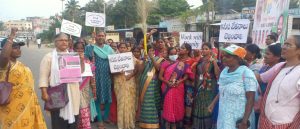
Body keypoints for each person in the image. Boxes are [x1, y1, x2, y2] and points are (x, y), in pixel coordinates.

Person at [0, 28, 47, 129]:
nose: (18, 49)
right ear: (5, 48)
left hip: (29, 106)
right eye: (15, 47)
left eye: (19, 47)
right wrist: (11, 36)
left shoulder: (20, 65)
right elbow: (3, 57)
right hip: (12, 109)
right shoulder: (4, 66)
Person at [256, 35, 300, 129]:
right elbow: (261, 78)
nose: (283, 47)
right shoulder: (280, 66)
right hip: (266, 122)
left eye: (288, 45)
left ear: (298, 51)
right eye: (284, 44)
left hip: (287, 124)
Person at [39, 33, 81, 129]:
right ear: (55, 42)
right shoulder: (49, 57)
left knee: (74, 120)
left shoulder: (73, 56)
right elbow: (43, 77)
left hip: (73, 92)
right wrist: (44, 92)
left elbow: (80, 73)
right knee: (58, 122)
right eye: (61, 40)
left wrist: (81, 60)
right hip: (57, 94)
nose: (64, 42)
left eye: (66, 40)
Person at [217, 44, 258, 129]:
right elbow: (222, 90)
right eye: (223, 56)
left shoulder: (247, 73)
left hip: (238, 118)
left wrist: (244, 121)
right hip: (224, 115)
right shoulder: (224, 71)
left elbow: (251, 98)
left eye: (228, 56)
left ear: (238, 58)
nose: (224, 58)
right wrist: (213, 104)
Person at [84, 31, 115, 129]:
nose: (101, 37)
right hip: (95, 77)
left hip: (107, 76)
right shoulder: (90, 48)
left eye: (103, 35)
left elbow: (115, 61)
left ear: (105, 37)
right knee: (96, 97)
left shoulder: (109, 48)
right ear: (95, 36)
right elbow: (86, 60)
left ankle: (106, 117)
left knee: (108, 98)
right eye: (99, 35)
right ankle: (100, 120)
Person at [159, 47, 192, 129]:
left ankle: (177, 125)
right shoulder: (165, 63)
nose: (173, 55)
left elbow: (186, 75)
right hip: (168, 88)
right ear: (168, 54)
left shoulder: (181, 63)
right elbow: (160, 76)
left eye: (175, 54)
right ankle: (168, 125)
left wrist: (180, 81)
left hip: (178, 87)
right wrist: (167, 82)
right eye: (171, 54)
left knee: (178, 105)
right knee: (169, 105)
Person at [192, 43, 220, 129]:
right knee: (199, 105)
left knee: (207, 106)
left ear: (210, 50)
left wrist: (214, 62)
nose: (204, 50)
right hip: (199, 86)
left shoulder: (214, 61)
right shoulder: (199, 61)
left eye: (206, 49)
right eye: (203, 48)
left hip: (210, 87)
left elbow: (217, 74)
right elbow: (195, 73)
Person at [138, 45, 164, 129]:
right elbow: (141, 71)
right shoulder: (143, 59)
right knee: (146, 102)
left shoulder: (159, 59)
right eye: (149, 50)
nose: (150, 52)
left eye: (152, 50)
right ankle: (144, 123)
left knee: (153, 102)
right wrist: (144, 60)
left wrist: (152, 58)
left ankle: (155, 123)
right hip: (144, 82)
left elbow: (158, 68)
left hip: (154, 85)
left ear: (154, 51)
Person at [113, 43, 138, 129]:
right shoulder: (114, 58)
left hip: (130, 81)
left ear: (127, 48)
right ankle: (122, 125)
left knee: (130, 102)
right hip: (119, 82)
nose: (123, 49)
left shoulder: (131, 57)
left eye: (124, 48)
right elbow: (111, 71)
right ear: (118, 48)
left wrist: (130, 75)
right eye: (121, 47)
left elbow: (136, 69)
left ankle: (130, 124)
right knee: (121, 103)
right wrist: (117, 72)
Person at [73, 42, 97, 129]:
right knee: (79, 111)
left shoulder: (88, 62)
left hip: (86, 89)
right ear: (74, 49)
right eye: (77, 49)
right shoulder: (70, 60)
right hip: (74, 89)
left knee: (84, 109)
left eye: (81, 49)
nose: (79, 51)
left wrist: (94, 92)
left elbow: (92, 77)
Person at [177, 43, 197, 127]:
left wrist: (187, 71)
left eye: (182, 48)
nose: (180, 49)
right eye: (181, 47)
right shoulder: (177, 60)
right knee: (179, 104)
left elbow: (193, 77)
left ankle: (187, 124)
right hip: (178, 86)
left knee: (188, 105)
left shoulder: (192, 61)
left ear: (187, 51)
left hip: (189, 87)